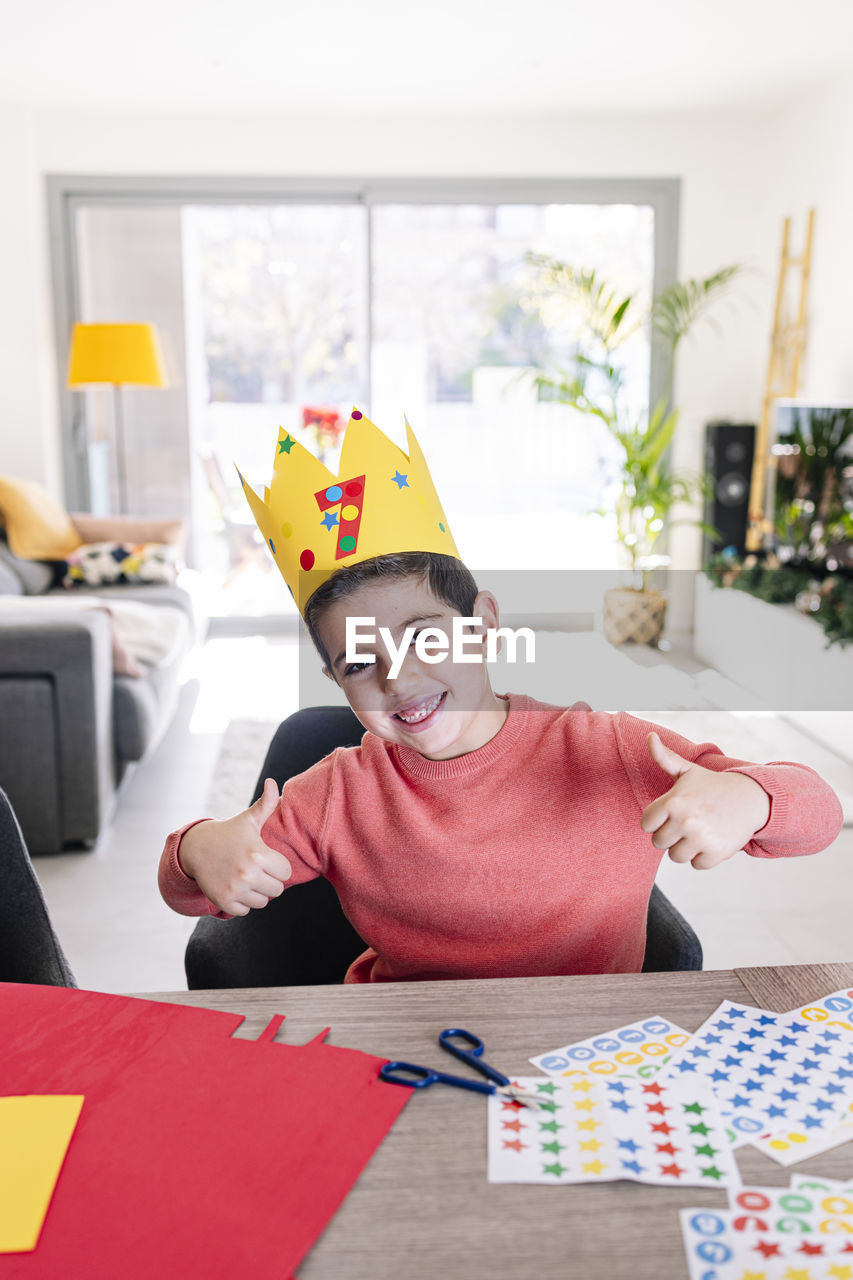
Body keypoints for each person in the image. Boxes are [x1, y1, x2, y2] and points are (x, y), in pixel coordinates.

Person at [158, 414, 844, 984]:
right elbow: (191, 886)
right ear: (335, 681)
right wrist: (197, 852)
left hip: (586, 1054)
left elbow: (818, 814)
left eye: (423, 637)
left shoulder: (606, 749)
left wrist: (749, 797)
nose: (397, 678)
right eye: (360, 661)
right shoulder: (337, 794)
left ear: (482, 624)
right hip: (402, 1048)